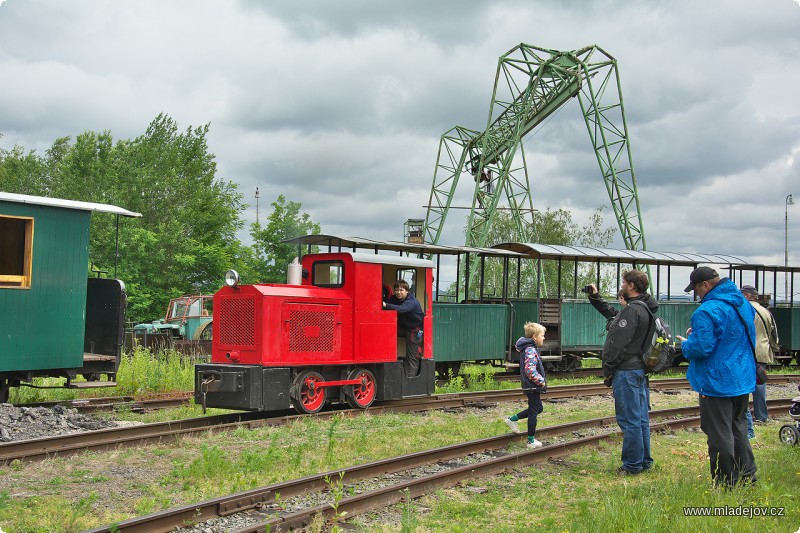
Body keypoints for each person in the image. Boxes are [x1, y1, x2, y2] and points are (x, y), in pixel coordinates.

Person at [676, 267, 757, 488]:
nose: (696, 294)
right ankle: (747, 476)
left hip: (717, 382)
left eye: (696, 289)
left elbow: (701, 348)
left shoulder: (706, 311)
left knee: (719, 433)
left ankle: (725, 482)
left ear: (706, 285)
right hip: (742, 380)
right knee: (738, 428)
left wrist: (686, 343)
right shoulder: (743, 304)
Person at [586, 270, 656, 475]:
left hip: (626, 370)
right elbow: (611, 313)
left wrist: (609, 366)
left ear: (632, 286)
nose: (622, 285)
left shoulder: (632, 310)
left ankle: (632, 465)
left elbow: (618, 343)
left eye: (624, 282)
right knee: (640, 418)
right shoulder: (645, 308)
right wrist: (595, 298)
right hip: (638, 369)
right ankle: (643, 461)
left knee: (630, 420)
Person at [503, 322, 547, 449]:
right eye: (542, 335)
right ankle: (531, 441)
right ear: (534, 337)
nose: (543, 338)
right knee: (534, 410)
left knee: (538, 408)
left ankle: (512, 419)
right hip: (532, 385)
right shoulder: (530, 350)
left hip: (531, 385)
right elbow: (530, 370)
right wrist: (541, 381)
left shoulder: (529, 348)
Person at [740, 285, 778, 428]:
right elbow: (773, 333)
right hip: (762, 351)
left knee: (742, 383)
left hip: (748, 351)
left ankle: (744, 415)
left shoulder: (745, 310)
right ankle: (761, 415)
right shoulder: (766, 312)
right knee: (759, 383)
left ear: (747, 296)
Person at [383, 279, 425, 375]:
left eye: (401, 290)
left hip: (415, 329)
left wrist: (385, 304)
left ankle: (410, 380)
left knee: (412, 356)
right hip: (403, 327)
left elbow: (402, 309)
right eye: (397, 290)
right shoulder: (394, 298)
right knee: (386, 331)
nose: (399, 292)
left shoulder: (412, 302)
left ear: (407, 291)